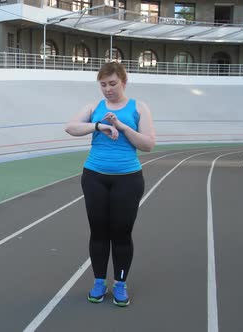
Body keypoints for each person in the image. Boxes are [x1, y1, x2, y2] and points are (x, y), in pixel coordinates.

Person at [64, 62, 156, 307]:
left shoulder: (139, 108)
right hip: (95, 176)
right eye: (103, 85)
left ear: (124, 82)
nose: (107, 89)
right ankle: (98, 281)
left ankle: (120, 284)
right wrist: (98, 125)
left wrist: (122, 127)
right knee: (99, 231)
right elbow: (71, 127)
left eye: (112, 84)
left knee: (121, 233)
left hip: (128, 179)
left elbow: (148, 144)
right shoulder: (94, 107)